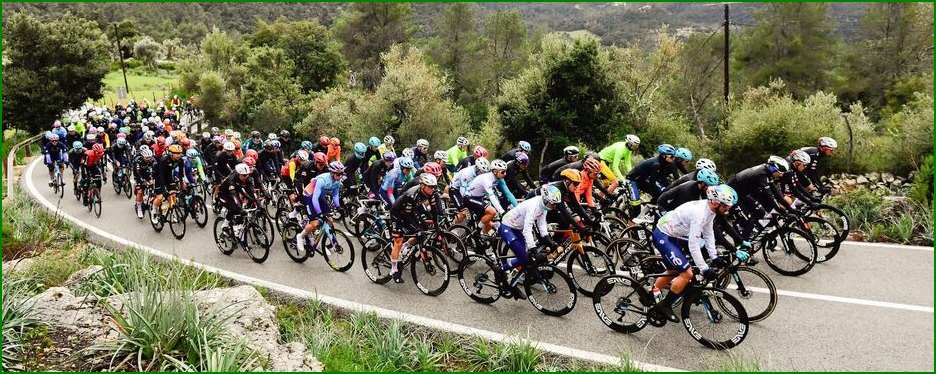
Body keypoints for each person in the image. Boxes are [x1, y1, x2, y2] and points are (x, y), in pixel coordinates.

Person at [649, 184, 746, 322]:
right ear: (716, 202)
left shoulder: (710, 210)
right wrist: (704, 268)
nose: (728, 209)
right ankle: (665, 305)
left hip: (672, 233)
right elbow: (693, 245)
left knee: (673, 269)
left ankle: (652, 291)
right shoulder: (700, 214)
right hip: (663, 235)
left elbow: (709, 233)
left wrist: (714, 256)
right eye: (726, 206)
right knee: (686, 273)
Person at [497, 184, 563, 298]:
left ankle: (513, 281)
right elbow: (528, 230)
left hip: (517, 229)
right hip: (507, 227)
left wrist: (548, 240)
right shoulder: (534, 206)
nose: (554, 207)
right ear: (545, 199)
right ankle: (500, 270)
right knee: (525, 257)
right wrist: (533, 250)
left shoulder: (544, 206)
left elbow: (541, 224)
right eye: (552, 204)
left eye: (555, 204)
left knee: (525, 258)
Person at [389, 173, 444, 283]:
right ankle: (394, 269)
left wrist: (437, 226)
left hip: (411, 211)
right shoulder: (411, 195)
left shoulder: (431, 193)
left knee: (422, 232)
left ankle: (406, 246)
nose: (432, 189)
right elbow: (406, 216)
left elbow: (434, 210)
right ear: (423, 186)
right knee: (398, 241)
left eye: (434, 187)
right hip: (398, 213)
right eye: (430, 187)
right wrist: (417, 230)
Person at [727, 156, 794, 242]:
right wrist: (784, 213)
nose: (781, 175)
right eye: (780, 172)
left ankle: (748, 232)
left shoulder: (767, 171)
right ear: (774, 169)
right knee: (749, 223)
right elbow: (770, 196)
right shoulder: (762, 175)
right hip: (731, 196)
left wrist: (790, 209)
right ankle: (743, 246)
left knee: (761, 212)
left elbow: (776, 193)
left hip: (741, 194)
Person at [295, 161, 346, 254]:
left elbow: (335, 195)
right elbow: (314, 198)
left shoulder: (337, 181)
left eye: (342, 174)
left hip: (319, 196)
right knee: (315, 223)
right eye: (339, 174)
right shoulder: (322, 180)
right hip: (309, 196)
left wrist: (339, 207)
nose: (340, 176)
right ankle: (300, 236)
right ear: (332, 173)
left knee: (330, 220)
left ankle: (327, 242)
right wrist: (319, 213)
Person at [465, 159, 518, 237]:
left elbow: (508, 193)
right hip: (469, 198)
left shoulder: (500, 179)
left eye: (505, 171)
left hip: (479, 198)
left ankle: (481, 239)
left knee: (489, 224)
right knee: (492, 212)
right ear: (495, 171)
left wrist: (518, 207)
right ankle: (476, 232)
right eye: (503, 172)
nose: (505, 174)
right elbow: (492, 197)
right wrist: (503, 213)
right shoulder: (486, 179)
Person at [626, 144, 677, 208]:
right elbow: (652, 183)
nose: (673, 159)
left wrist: (671, 189)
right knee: (636, 206)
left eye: (674, 157)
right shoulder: (656, 164)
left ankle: (651, 208)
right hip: (632, 180)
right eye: (671, 157)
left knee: (660, 194)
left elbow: (663, 178)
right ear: (664, 156)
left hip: (641, 180)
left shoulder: (663, 163)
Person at [217, 164, 256, 237]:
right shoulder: (231, 180)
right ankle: (224, 226)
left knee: (240, 209)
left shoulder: (243, 177)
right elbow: (234, 195)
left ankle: (237, 227)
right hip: (223, 195)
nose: (245, 177)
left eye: (247, 175)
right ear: (238, 174)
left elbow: (241, 189)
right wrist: (240, 208)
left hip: (234, 191)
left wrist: (251, 199)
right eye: (243, 175)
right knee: (235, 209)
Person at [450, 157, 490, 225]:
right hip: (455, 189)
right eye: (482, 172)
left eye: (484, 172)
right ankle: (452, 229)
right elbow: (463, 191)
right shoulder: (467, 174)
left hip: (467, 190)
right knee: (464, 212)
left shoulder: (479, 173)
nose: (483, 174)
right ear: (477, 168)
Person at [152, 144, 185, 218]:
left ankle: (172, 211)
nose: (179, 155)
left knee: (173, 194)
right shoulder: (163, 160)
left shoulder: (180, 160)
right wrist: (163, 190)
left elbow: (180, 174)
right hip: (158, 176)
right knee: (160, 197)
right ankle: (154, 211)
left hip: (169, 176)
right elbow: (160, 176)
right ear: (170, 153)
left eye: (180, 153)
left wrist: (182, 184)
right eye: (177, 153)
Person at [133, 149, 157, 218]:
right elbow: (137, 173)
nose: (148, 159)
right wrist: (143, 181)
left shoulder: (152, 160)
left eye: (149, 157)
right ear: (142, 156)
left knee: (153, 187)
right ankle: (139, 208)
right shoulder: (138, 161)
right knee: (140, 192)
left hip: (147, 174)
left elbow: (155, 170)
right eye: (146, 157)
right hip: (139, 175)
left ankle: (150, 199)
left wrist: (152, 179)